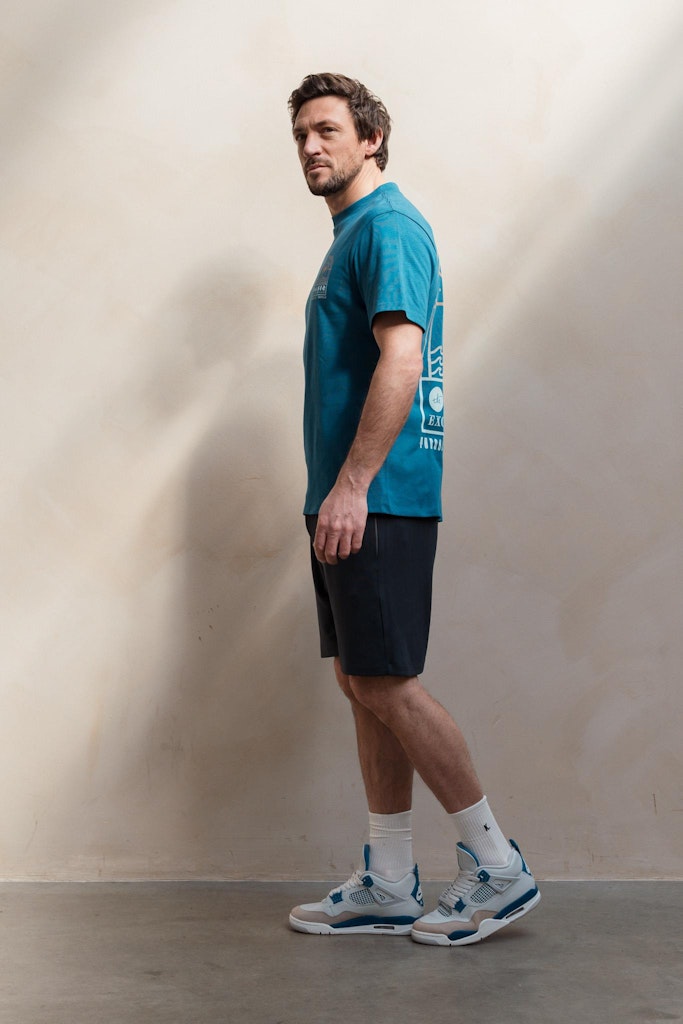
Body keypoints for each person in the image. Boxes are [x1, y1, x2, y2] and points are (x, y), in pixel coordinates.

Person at [286, 72, 540, 946]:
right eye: (300, 135)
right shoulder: (355, 231)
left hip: (377, 497)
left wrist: (353, 485)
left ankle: (498, 866)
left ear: (371, 139)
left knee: (387, 680)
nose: (310, 147)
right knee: (362, 681)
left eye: (327, 130)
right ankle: (390, 879)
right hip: (348, 498)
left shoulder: (386, 226)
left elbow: (402, 357)